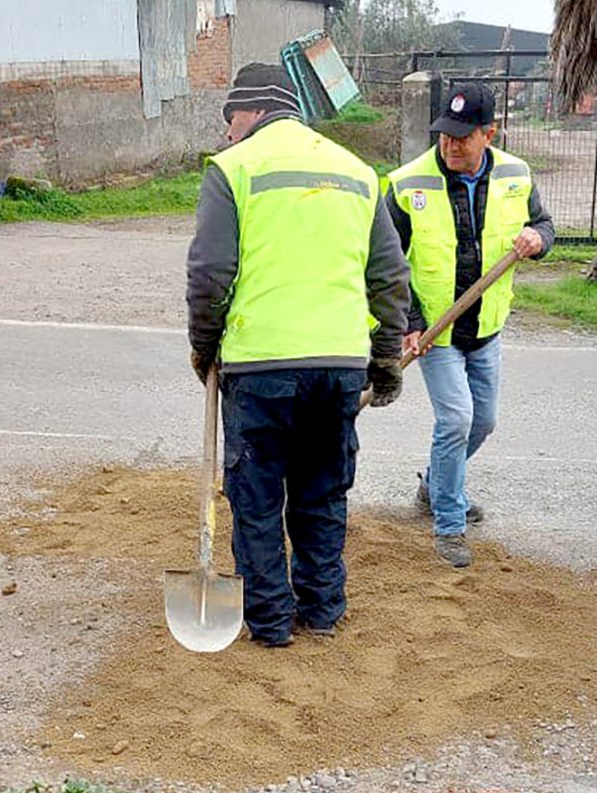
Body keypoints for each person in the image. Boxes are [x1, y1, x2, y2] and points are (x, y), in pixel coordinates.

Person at [186, 63, 410, 647]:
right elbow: (389, 276)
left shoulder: (233, 169)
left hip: (260, 365)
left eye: (229, 119)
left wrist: (203, 345)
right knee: (321, 489)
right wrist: (384, 357)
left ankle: (269, 622)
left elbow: (210, 274)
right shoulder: (358, 172)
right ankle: (323, 610)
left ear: (252, 110)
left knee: (257, 496)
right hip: (338, 365)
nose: (227, 132)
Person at [385, 82, 555, 568]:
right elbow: (385, 262)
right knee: (456, 419)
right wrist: (410, 321)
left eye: (463, 137)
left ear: (489, 134)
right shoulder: (407, 183)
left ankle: (433, 487)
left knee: (483, 422)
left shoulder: (517, 176)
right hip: (436, 331)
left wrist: (536, 239)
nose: (451, 145)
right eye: (445, 135)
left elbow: (546, 227)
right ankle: (449, 524)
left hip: (487, 328)